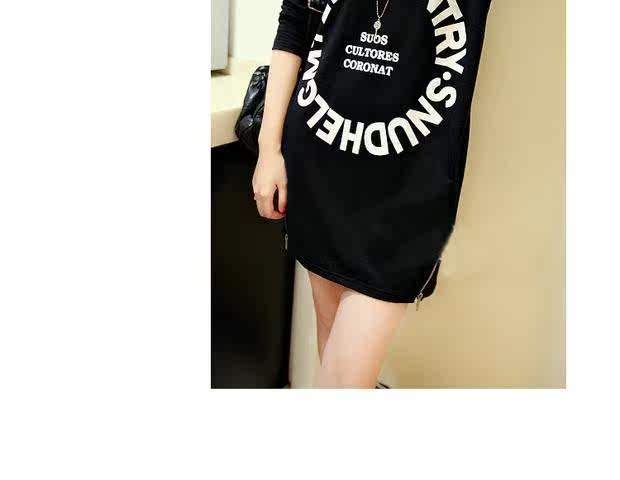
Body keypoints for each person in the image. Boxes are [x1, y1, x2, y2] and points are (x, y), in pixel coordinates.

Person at [252, 0, 492, 388]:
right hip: (319, 162)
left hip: (408, 188)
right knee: (333, 362)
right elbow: (296, 20)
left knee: (341, 381)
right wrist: (269, 150)